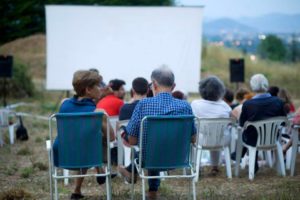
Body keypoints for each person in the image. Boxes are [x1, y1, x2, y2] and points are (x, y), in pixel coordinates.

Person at [118, 66, 195, 199]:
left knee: (151, 145)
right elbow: (193, 138)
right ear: (174, 86)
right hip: (178, 158)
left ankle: (136, 176)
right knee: (157, 144)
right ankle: (152, 191)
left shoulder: (143, 105)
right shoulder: (185, 106)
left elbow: (132, 141)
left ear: (153, 85)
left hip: (150, 159)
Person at [53, 70, 116, 200]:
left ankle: (77, 190)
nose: (100, 88)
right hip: (87, 157)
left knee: (85, 142)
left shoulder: (64, 103)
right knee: (91, 143)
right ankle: (100, 173)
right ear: (88, 90)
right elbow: (112, 137)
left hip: (63, 155)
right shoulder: (98, 112)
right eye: (98, 86)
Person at [232, 74, 286, 173]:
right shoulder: (278, 101)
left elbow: (242, 124)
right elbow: (284, 122)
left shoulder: (248, 104)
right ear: (266, 84)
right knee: (252, 132)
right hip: (274, 138)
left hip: (252, 141)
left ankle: (239, 155)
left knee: (249, 132)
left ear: (252, 87)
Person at [191, 76, 232, 176]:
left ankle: (196, 166)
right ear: (220, 90)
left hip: (201, 140)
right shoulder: (224, 106)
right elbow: (233, 120)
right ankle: (215, 167)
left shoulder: (195, 104)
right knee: (217, 133)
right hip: (222, 140)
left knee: (195, 135)